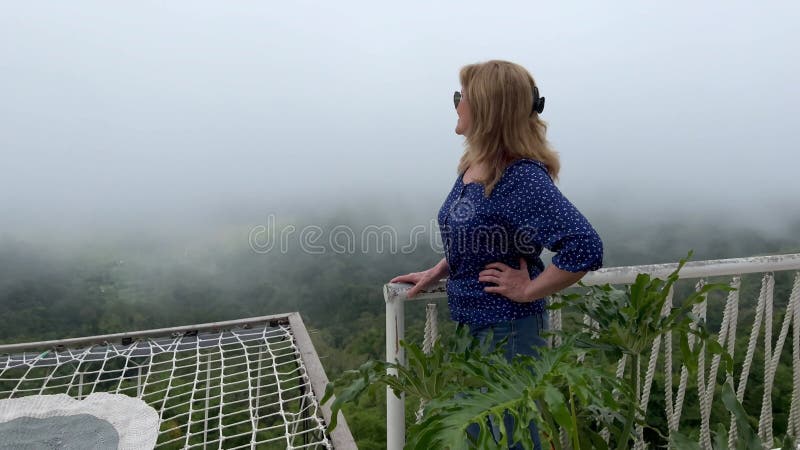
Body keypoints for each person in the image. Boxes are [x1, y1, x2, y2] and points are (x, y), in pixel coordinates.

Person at [390, 60, 603, 449]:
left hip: (508, 331)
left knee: (510, 436)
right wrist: (444, 267)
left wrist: (529, 289)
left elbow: (585, 247)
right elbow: (480, 232)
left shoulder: (518, 175)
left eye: (462, 97)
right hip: (475, 329)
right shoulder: (475, 166)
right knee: (484, 433)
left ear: (486, 110)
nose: (456, 105)